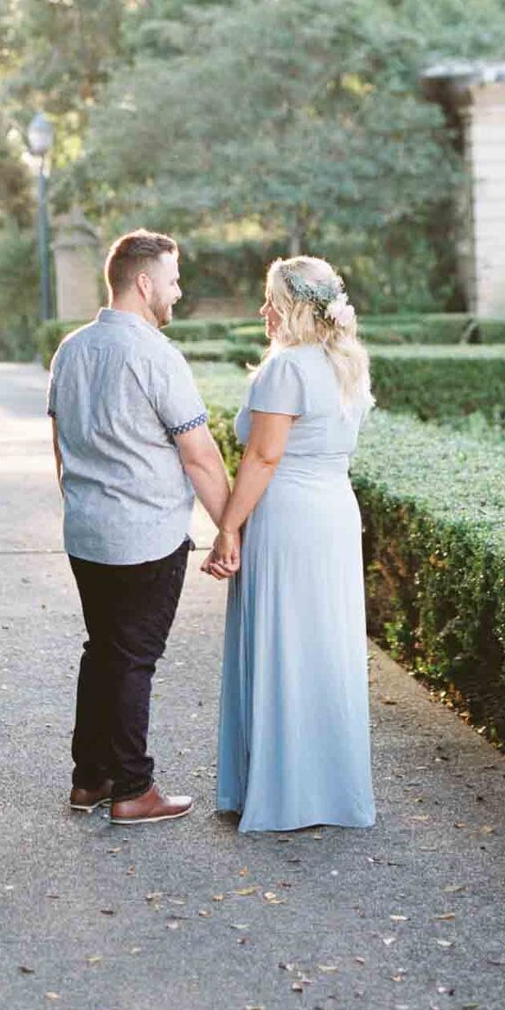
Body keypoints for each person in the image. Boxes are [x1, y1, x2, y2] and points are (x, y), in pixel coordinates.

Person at [47, 229, 232, 824]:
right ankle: (132, 788)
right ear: (145, 282)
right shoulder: (156, 355)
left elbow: (60, 449)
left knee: (103, 652)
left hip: (87, 534)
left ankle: (90, 779)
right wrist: (232, 528)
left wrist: (84, 506)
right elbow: (200, 454)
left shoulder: (70, 350)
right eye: (174, 281)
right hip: (146, 537)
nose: (178, 293)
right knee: (132, 661)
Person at [204, 255, 376, 832]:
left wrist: (229, 524)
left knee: (285, 639)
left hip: (289, 517)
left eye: (270, 300)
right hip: (333, 511)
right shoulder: (347, 364)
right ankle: (326, 788)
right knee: (325, 645)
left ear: (293, 308)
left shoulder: (287, 369)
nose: (262, 311)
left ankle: (283, 791)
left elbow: (264, 455)